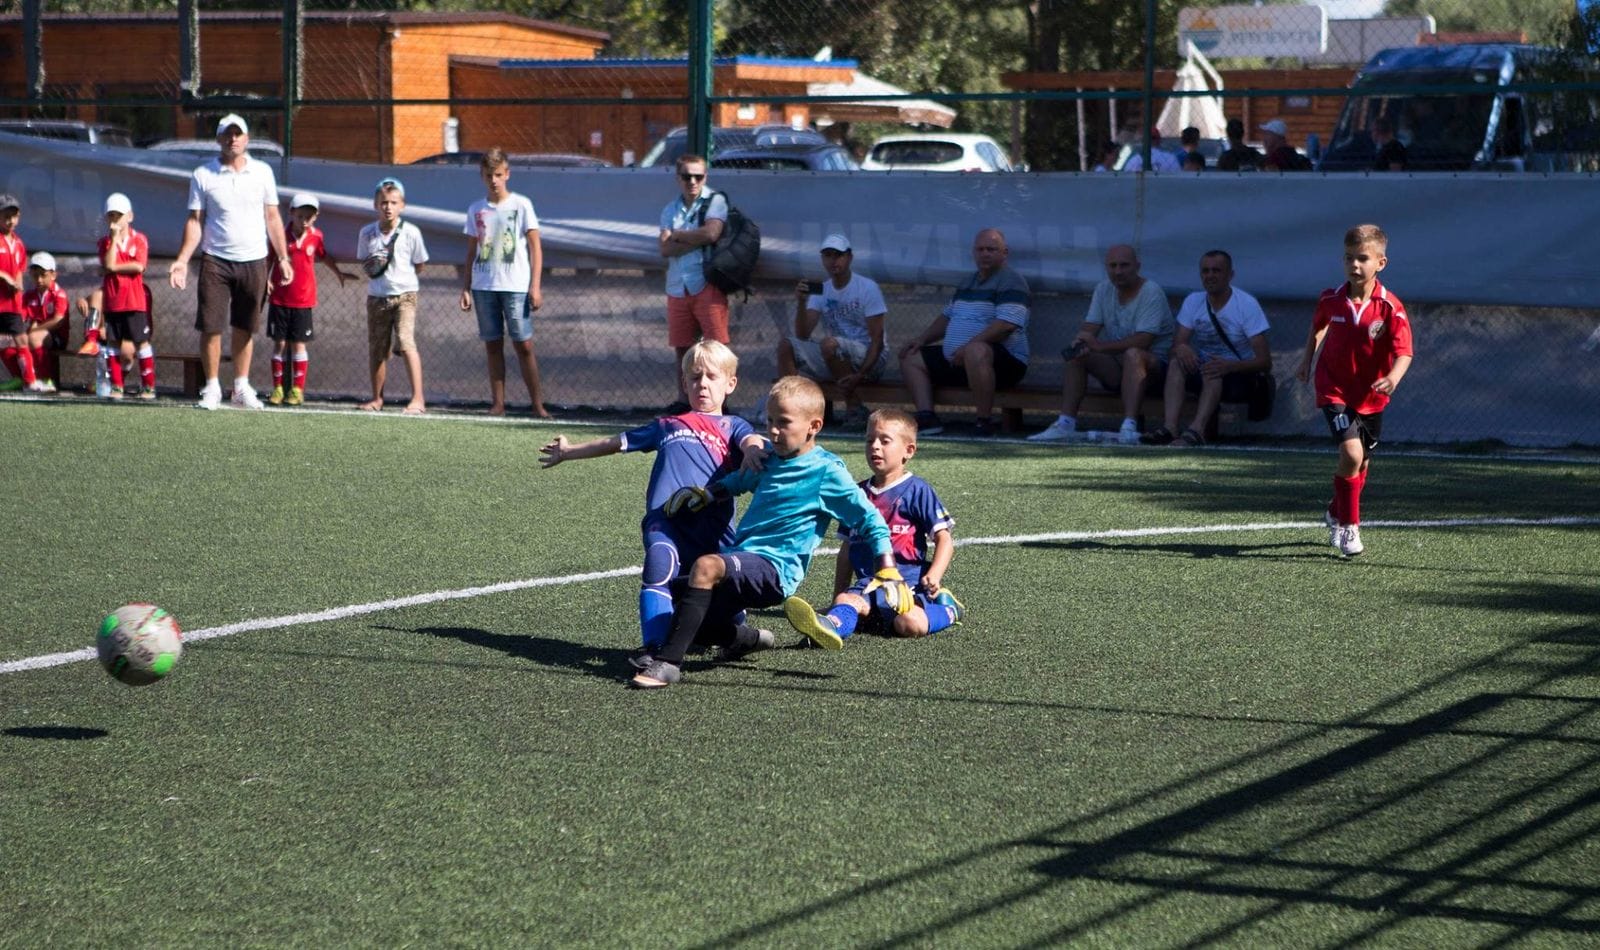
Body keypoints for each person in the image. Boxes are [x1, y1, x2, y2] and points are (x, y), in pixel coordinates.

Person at [628, 375, 903, 689]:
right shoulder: (770, 460)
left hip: (775, 570)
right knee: (684, 605)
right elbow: (740, 481)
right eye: (770, 420)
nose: (773, 430)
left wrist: (887, 566)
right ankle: (748, 639)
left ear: (814, 426)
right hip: (744, 559)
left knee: (705, 567)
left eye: (784, 422)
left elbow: (869, 519)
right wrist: (707, 493)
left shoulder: (827, 471)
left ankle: (668, 664)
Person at [539, 340, 766, 667]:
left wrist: (754, 449)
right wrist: (569, 451)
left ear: (730, 384)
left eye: (711, 377)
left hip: (714, 530)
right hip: (667, 522)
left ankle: (739, 637)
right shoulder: (668, 425)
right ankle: (656, 647)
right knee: (659, 565)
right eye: (695, 377)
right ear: (684, 382)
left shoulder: (734, 426)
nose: (702, 383)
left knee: (722, 604)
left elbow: (751, 440)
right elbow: (616, 443)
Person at [782, 408, 964, 647]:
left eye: (884, 441)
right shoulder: (856, 494)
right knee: (847, 601)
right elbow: (846, 551)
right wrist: (837, 596)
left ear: (908, 451)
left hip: (908, 588)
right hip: (868, 586)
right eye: (870, 440)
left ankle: (948, 608)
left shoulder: (917, 490)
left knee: (909, 625)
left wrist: (935, 575)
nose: (875, 447)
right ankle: (830, 628)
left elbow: (944, 539)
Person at [1295, 224, 1413, 558]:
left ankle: (1335, 510)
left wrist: (1392, 377)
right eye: (1349, 258)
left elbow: (1404, 352)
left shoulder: (1390, 307)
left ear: (1381, 263)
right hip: (1333, 387)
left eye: (1363, 258)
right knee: (1351, 454)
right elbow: (1317, 327)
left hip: (1371, 397)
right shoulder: (1331, 299)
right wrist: (1307, 360)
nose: (1355, 265)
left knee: (1361, 467)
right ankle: (1349, 526)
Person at [168, 113, 292, 411]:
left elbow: (273, 217)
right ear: (219, 139)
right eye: (227, 134)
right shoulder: (203, 175)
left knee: (245, 326)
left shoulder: (262, 173)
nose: (233, 138)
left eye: (238, 134)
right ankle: (211, 387)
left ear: (247, 139)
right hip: (216, 261)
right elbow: (195, 221)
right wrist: (182, 259)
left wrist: (284, 258)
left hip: (255, 261)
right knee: (211, 326)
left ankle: (240, 386)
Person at [1029, 243, 1173, 445]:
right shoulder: (1103, 288)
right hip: (1119, 370)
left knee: (1134, 353)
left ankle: (1129, 426)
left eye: (1124, 265)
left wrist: (1098, 346)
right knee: (1077, 353)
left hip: (1156, 374)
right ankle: (1065, 423)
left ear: (1137, 267)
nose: (1118, 271)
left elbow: (1144, 340)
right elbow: (1089, 328)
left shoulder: (1151, 291)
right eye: (1112, 266)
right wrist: (1080, 341)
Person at [898, 228, 1030, 437]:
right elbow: (947, 317)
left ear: (1005, 253)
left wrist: (968, 348)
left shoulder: (1012, 281)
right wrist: (921, 339)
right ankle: (927, 416)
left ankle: (984, 422)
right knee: (910, 354)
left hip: (1005, 365)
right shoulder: (967, 282)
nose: (985, 253)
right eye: (980, 249)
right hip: (960, 360)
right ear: (974, 253)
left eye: (991, 249)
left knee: (977, 350)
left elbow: (1006, 325)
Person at [1142, 250, 1271, 447]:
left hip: (1240, 375)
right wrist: (1182, 348)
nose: (1210, 275)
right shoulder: (1193, 301)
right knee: (1177, 363)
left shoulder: (1246, 305)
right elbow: (1177, 344)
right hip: (1207, 368)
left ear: (1230, 275)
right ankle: (1170, 428)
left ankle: (1196, 430)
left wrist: (1230, 366)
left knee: (1212, 369)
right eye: (1205, 271)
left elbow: (1265, 362)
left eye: (1216, 270)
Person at [460, 148, 549, 417]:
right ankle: (498, 404)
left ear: (507, 174)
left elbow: (535, 247)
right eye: (489, 175)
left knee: (524, 344)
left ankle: (538, 405)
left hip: (516, 286)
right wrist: (465, 286)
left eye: (498, 174)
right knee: (493, 344)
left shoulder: (521, 205)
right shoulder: (476, 209)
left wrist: (535, 286)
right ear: (482, 176)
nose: (494, 180)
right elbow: (471, 251)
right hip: (484, 287)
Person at [775, 233, 888, 428]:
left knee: (829, 343)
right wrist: (801, 302)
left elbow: (877, 340)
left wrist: (861, 375)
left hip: (870, 359)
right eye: (827, 255)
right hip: (834, 354)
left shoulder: (867, 288)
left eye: (838, 255)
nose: (833, 260)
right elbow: (802, 335)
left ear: (849, 257)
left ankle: (854, 408)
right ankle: (794, 408)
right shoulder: (823, 290)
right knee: (787, 345)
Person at [658, 153, 728, 412]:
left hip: (707, 283)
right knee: (682, 347)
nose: (692, 181)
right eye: (687, 176)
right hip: (677, 286)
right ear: (678, 178)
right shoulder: (670, 208)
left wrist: (676, 236)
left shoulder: (715, 201)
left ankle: (721, 402)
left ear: (705, 177)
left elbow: (712, 233)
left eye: (698, 176)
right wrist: (693, 239)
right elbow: (664, 250)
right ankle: (684, 400)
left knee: (716, 348)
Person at [267, 193, 353, 406]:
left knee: (299, 346)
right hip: (279, 299)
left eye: (309, 216)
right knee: (279, 344)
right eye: (300, 215)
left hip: (303, 301)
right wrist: (266, 280)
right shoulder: (279, 235)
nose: (304, 220)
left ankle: (297, 390)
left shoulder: (316, 236)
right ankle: (277, 388)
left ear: (316, 217)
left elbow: (323, 256)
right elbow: (269, 258)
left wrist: (339, 273)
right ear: (291, 214)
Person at [357, 176, 429, 414]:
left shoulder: (411, 232)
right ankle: (377, 398)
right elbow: (365, 263)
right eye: (384, 202)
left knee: (407, 342)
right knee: (377, 349)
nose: (388, 207)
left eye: (393, 202)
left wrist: (402, 278)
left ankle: (418, 399)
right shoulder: (367, 233)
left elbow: (419, 264)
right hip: (377, 297)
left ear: (402, 205)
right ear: (376, 204)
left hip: (405, 296)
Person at [95, 192, 157, 400]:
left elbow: (139, 266)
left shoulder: (139, 239)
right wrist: (113, 242)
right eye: (111, 215)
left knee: (142, 342)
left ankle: (148, 386)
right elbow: (108, 263)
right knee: (112, 343)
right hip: (113, 303)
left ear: (129, 216)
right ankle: (117, 386)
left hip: (134, 302)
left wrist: (113, 269)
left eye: (119, 215)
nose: (115, 220)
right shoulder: (105, 242)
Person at [0, 192, 46, 393]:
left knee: (21, 341)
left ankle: (29, 382)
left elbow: (19, 271)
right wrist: (4, 277)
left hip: (12, 305)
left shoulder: (19, 244)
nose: (10, 221)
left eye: (14, 216)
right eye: (5, 216)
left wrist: (17, 284)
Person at [20, 252, 68, 393]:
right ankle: (21, 378)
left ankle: (46, 380)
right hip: (34, 335)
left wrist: (34, 329)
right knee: (10, 339)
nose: (39, 279)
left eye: (43, 275)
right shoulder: (29, 295)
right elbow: (21, 317)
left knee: (33, 337)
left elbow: (58, 320)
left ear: (53, 275)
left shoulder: (59, 294)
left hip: (57, 337)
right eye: (35, 275)